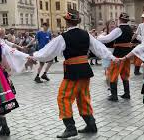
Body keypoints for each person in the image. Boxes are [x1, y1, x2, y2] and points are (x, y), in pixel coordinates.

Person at [32, 9, 116, 139]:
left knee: (63, 97)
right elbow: (99, 49)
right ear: (78, 22)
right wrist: (111, 57)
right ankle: (91, 124)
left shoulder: (63, 37)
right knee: (83, 96)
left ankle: (70, 127)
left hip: (73, 70)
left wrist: (34, 56)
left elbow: (48, 52)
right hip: (85, 69)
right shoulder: (86, 35)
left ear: (67, 22)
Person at [98, 13, 134, 101]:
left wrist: (99, 37)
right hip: (127, 54)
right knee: (125, 73)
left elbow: (107, 39)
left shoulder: (119, 29)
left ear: (120, 19)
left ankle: (114, 95)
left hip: (118, 53)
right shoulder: (130, 29)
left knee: (113, 73)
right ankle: (127, 93)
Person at [98, 20, 116, 93]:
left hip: (115, 53)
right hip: (107, 52)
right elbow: (100, 39)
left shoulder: (117, 33)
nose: (112, 25)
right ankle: (109, 87)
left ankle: (113, 87)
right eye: (111, 24)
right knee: (108, 72)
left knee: (114, 72)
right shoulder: (105, 34)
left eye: (114, 24)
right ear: (107, 26)